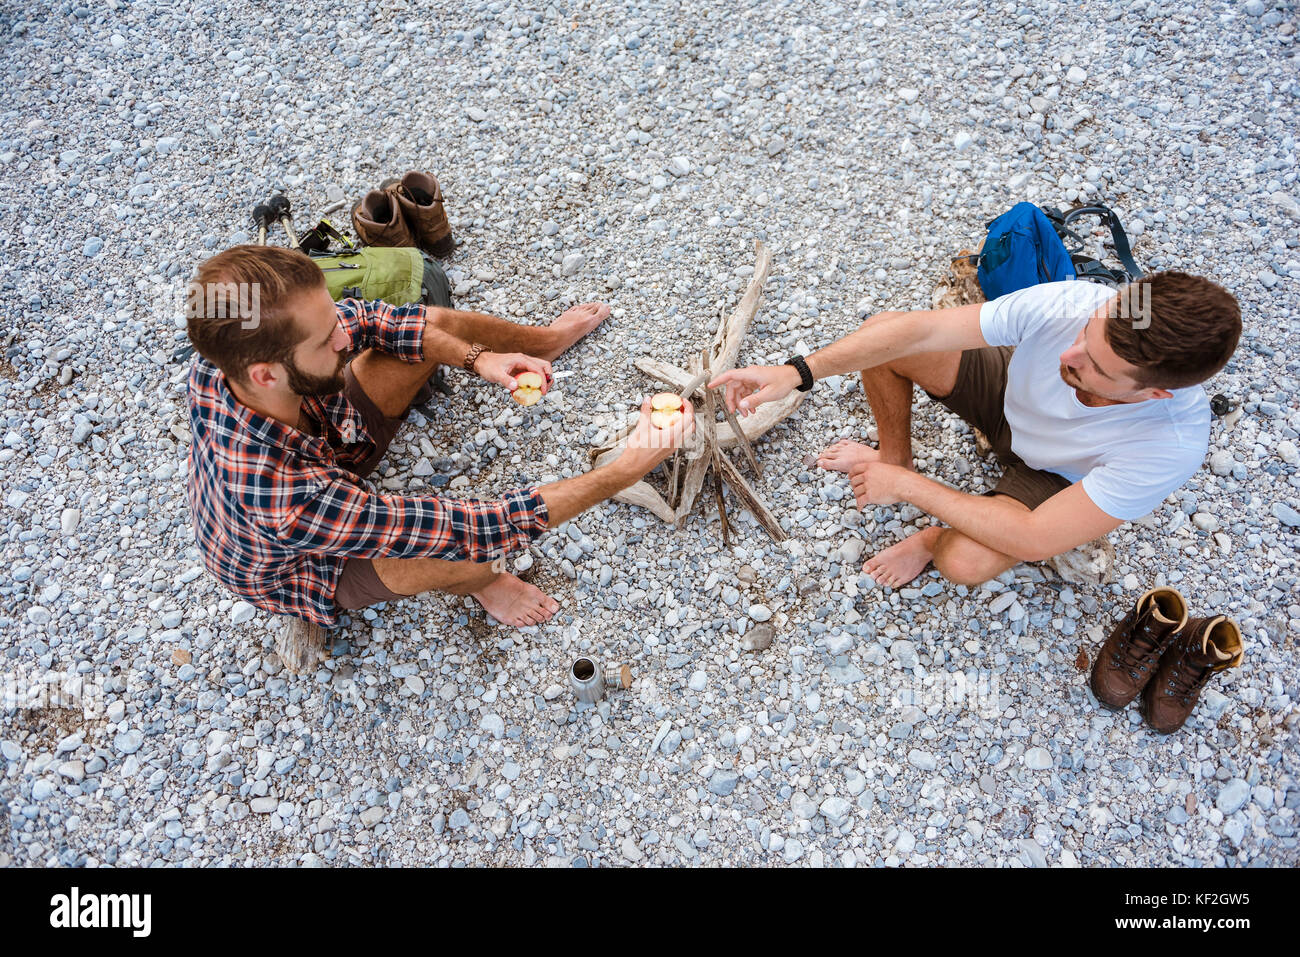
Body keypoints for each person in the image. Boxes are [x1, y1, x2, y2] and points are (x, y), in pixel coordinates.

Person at [185, 245, 693, 670]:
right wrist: (627, 468)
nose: (344, 336)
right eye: (325, 339)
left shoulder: (228, 362)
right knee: (460, 554)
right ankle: (488, 586)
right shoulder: (287, 500)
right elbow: (475, 528)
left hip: (324, 440)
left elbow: (372, 320)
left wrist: (481, 358)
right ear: (266, 375)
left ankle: (549, 339)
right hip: (307, 564)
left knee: (432, 325)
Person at [710, 272, 1240, 588]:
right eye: (1085, 333)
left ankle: (927, 532)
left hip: (1056, 477)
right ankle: (894, 456)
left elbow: (1035, 539)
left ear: (1154, 394)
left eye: (1096, 367)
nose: (1069, 354)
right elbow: (916, 328)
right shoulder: (1081, 304)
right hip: (1009, 399)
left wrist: (910, 493)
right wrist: (796, 373)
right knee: (885, 335)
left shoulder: (1170, 443)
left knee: (964, 562)